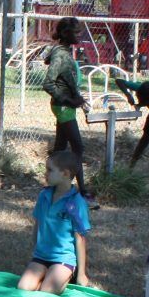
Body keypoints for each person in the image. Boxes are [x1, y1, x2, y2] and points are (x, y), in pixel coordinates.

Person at [18, 152, 90, 294]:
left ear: (65, 173)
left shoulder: (76, 202)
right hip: (41, 256)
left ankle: (66, 277)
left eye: (50, 170)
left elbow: (80, 239)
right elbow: (37, 224)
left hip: (63, 258)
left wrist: (81, 273)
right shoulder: (44, 195)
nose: (45, 173)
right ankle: (48, 279)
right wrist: (36, 249)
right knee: (23, 288)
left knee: (47, 292)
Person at [40, 17, 93, 203]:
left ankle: (53, 184)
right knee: (78, 146)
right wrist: (69, 100)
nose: (80, 35)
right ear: (65, 33)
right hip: (63, 107)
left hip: (66, 106)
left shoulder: (63, 52)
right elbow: (48, 83)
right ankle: (81, 190)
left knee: (60, 148)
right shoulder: (61, 55)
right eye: (76, 32)